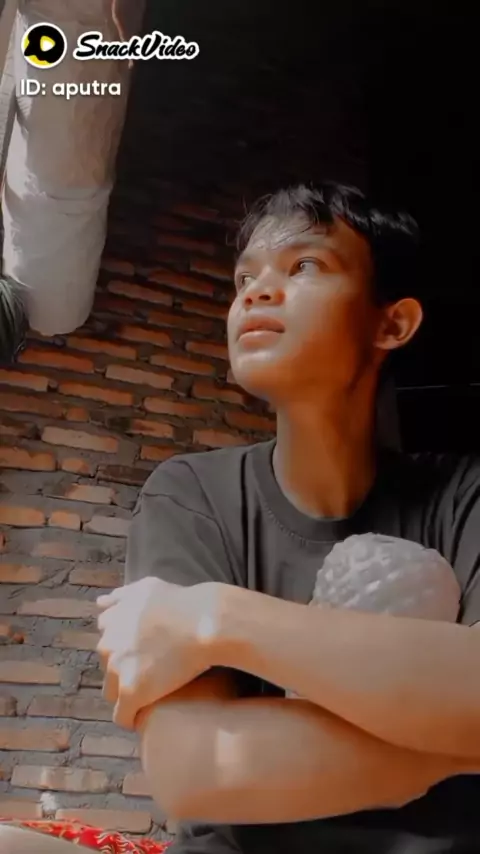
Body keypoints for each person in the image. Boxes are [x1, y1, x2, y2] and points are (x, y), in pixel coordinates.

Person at [97, 182, 480, 854]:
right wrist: (453, 740)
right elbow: (195, 769)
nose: (255, 293)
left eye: (304, 265)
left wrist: (218, 618)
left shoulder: (463, 493)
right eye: (245, 278)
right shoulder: (191, 494)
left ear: (391, 324)